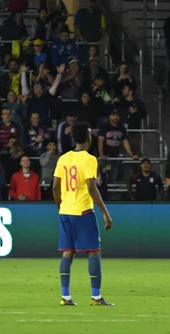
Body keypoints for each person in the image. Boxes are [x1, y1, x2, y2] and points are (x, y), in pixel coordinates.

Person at [52, 122, 113, 307]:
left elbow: (55, 186)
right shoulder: (89, 159)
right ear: (89, 138)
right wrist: (105, 212)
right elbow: (91, 187)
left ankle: (66, 296)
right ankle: (96, 297)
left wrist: (60, 206)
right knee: (93, 251)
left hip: (65, 212)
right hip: (83, 211)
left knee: (67, 253)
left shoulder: (63, 158)